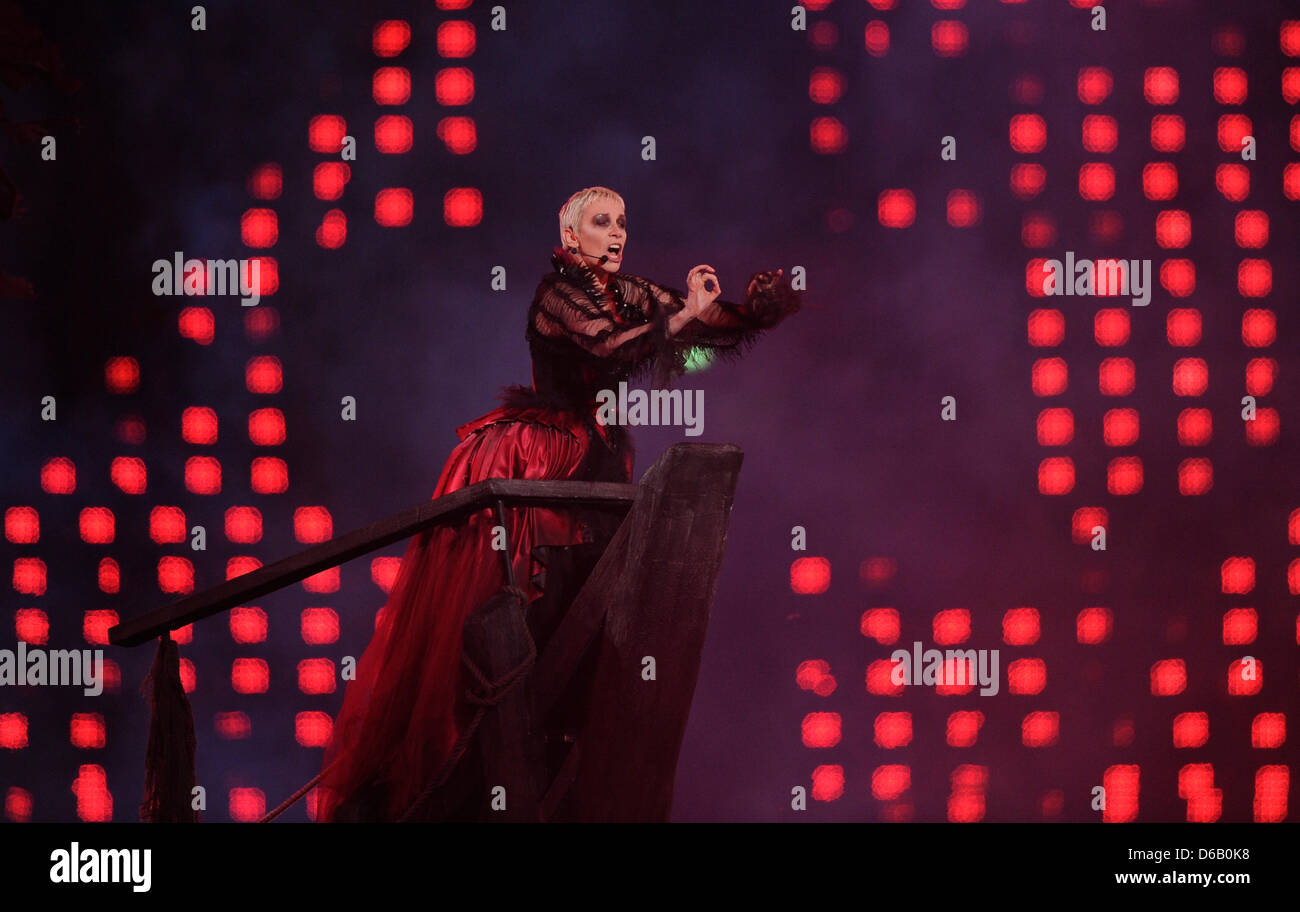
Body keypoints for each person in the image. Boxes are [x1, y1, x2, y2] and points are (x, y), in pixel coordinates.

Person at [316, 186, 800, 821]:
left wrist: (755, 312)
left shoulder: (630, 292)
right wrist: (681, 322)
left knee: (592, 615)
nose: (617, 232)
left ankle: (556, 745)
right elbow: (611, 347)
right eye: (603, 222)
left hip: (595, 455)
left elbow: (697, 320)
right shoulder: (559, 295)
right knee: (526, 606)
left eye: (624, 220)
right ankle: (462, 760)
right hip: (539, 456)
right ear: (573, 237)